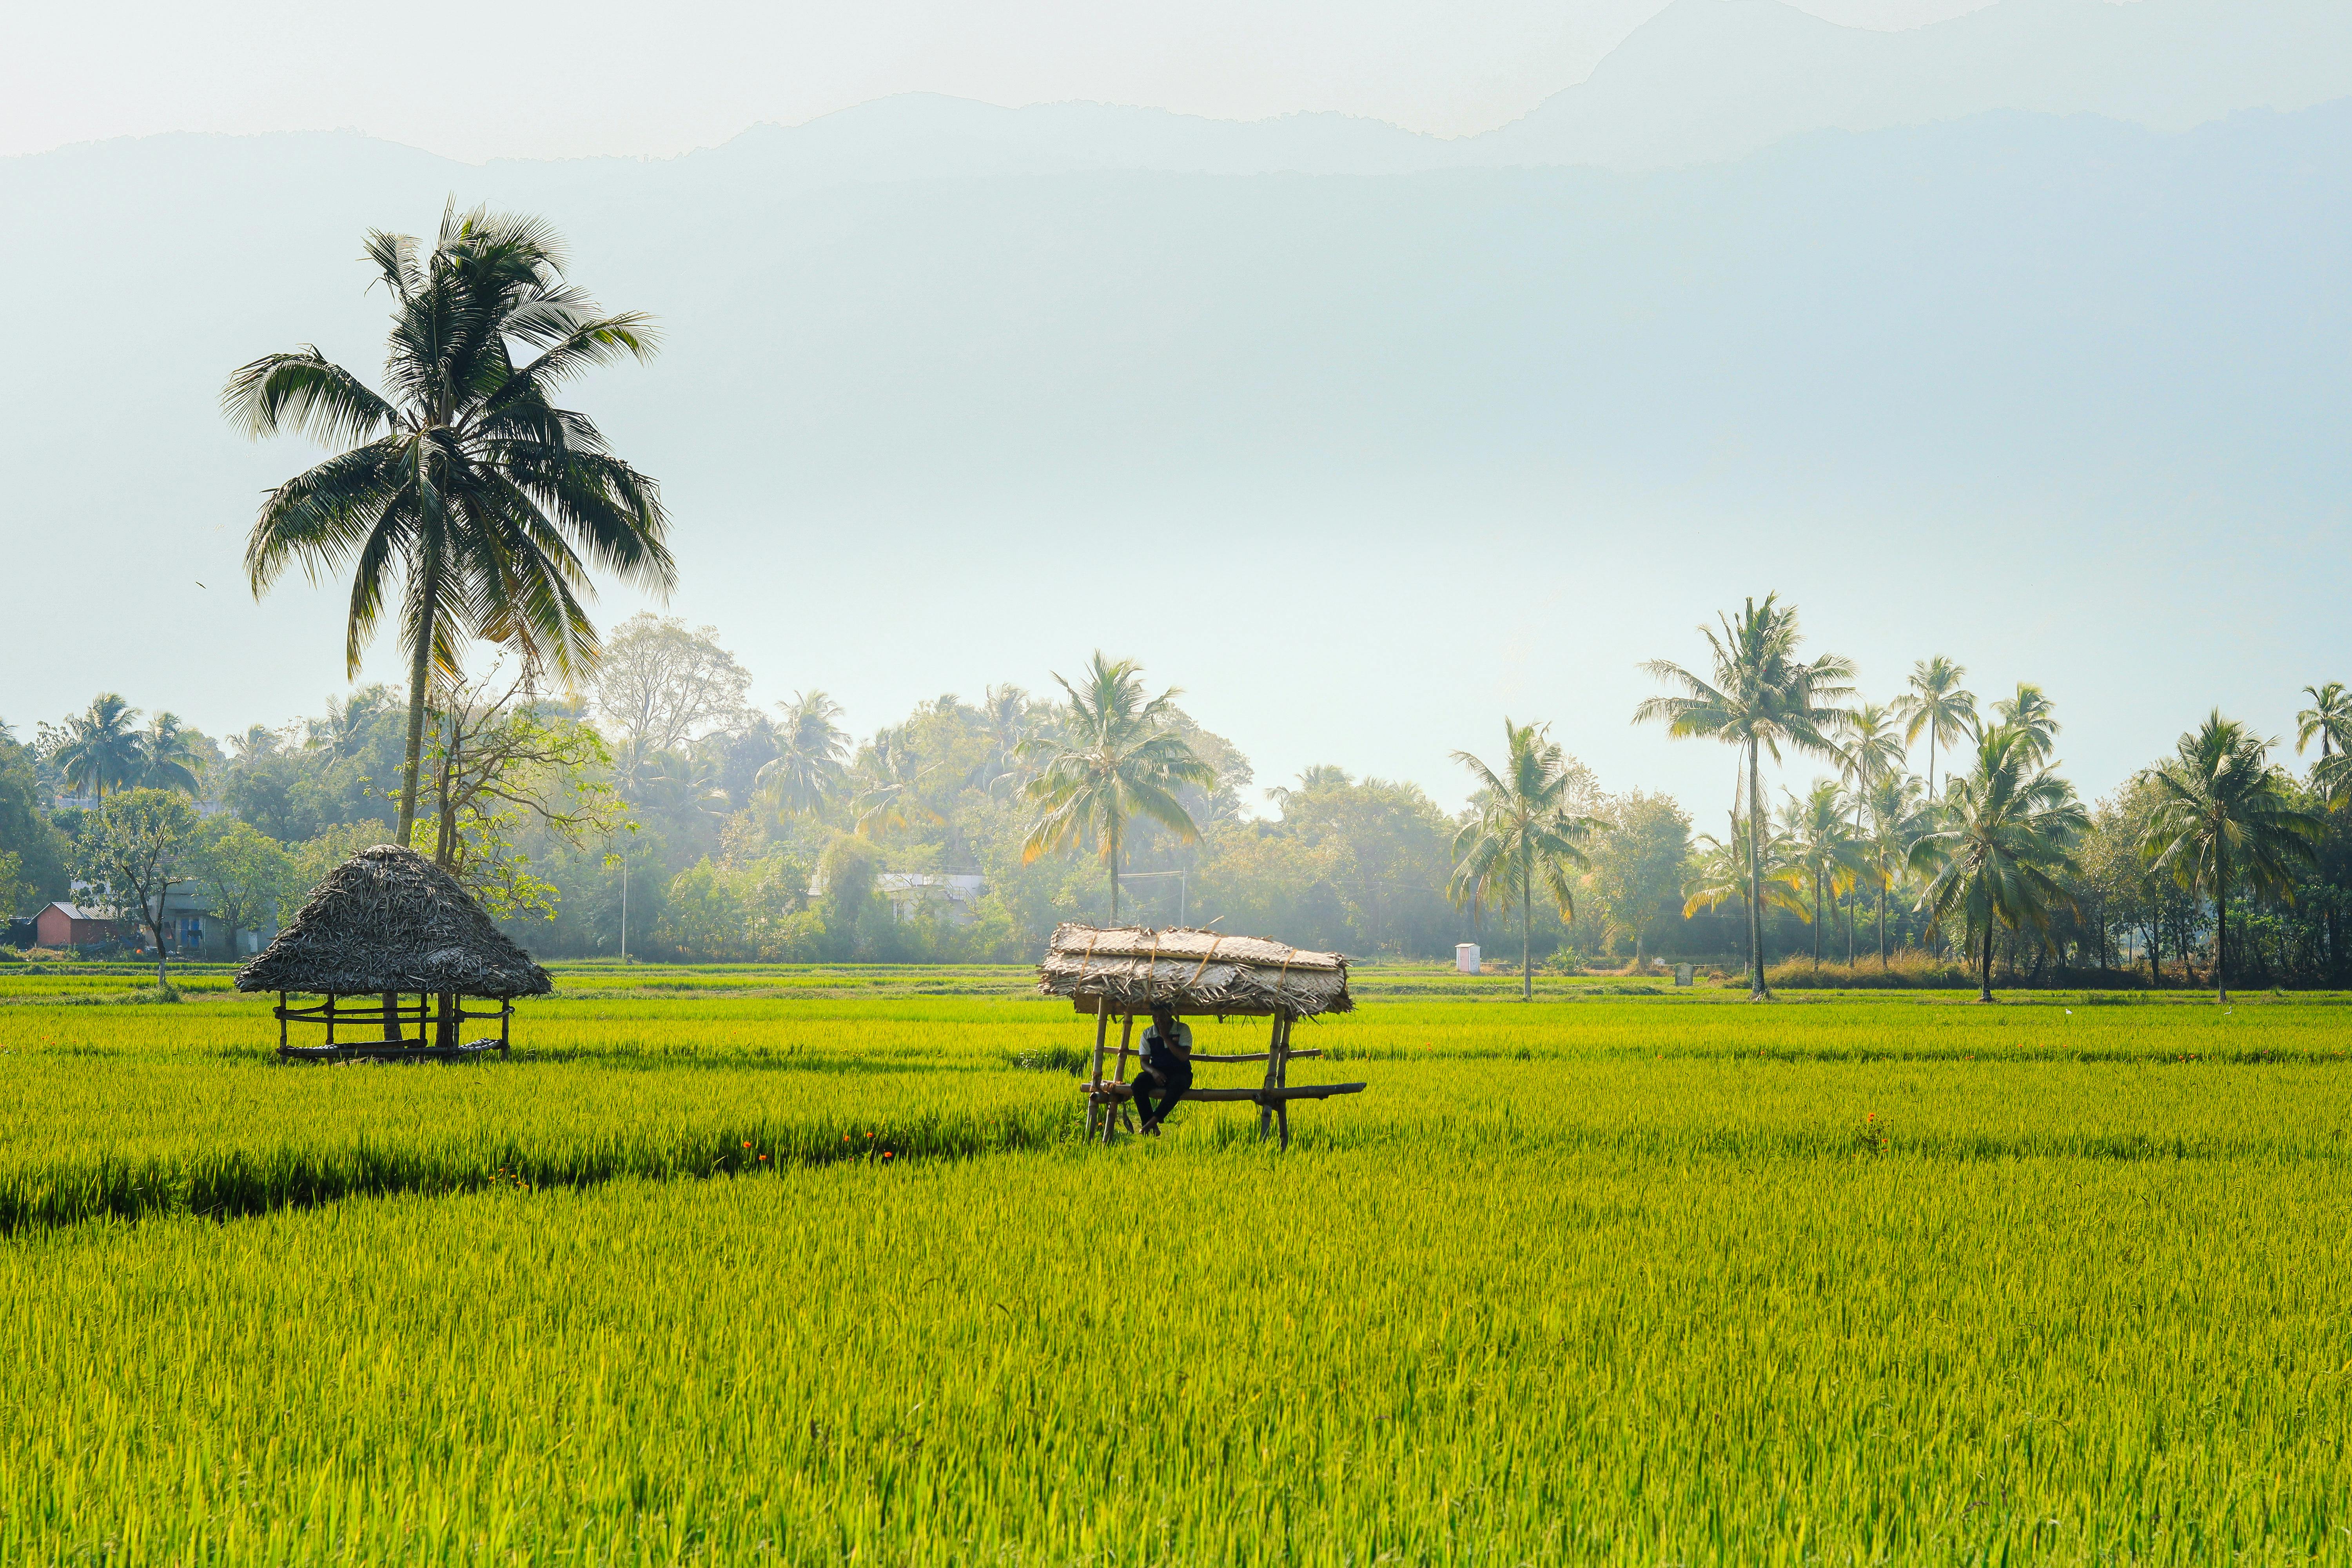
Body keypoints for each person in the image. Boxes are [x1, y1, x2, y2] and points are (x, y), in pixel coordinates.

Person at [1131, 1005, 1193, 1134]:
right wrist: (1154, 1073)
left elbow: (1183, 1057)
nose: (1158, 1021)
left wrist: (1166, 1037)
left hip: (1181, 1072)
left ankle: (1151, 1122)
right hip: (1159, 1073)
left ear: (1170, 1015)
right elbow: (1144, 1062)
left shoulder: (1183, 1029)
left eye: (1162, 1016)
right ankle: (1151, 1126)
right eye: (1155, 1017)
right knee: (1138, 1084)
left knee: (1178, 1086)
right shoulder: (1148, 1034)